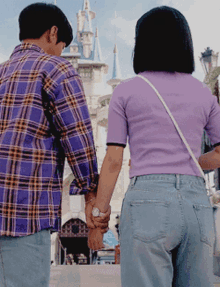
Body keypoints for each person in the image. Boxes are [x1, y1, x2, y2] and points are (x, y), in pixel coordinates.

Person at [88, 6, 220, 287]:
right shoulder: (203, 93)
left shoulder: (126, 91)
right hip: (197, 204)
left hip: (147, 201)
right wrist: (191, 163)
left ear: (141, 44)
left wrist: (99, 214)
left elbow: (113, 159)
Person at [0, 3, 110, 287]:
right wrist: (90, 194)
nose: (61, 51)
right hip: (23, 214)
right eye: (62, 45)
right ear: (53, 33)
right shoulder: (56, 69)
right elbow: (77, 137)